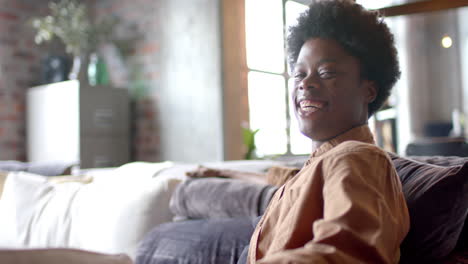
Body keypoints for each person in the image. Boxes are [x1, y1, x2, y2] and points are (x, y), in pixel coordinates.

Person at [244, 0, 409, 263]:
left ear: (368, 90)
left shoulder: (357, 158)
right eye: (299, 75)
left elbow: (346, 252)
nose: (306, 84)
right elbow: (278, 177)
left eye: (327, 72)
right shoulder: (316, 167)